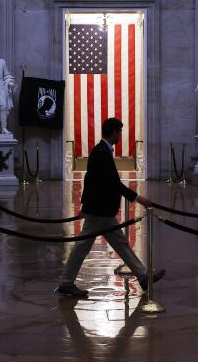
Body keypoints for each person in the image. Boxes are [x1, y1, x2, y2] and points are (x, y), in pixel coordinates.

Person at [56, 117, 164, 298]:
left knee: (120, 245)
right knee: (83, 246)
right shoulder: (101, 152)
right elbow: (111, 183)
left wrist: (85, 205)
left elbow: (91, 180)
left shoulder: (101, 151)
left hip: (102, 210)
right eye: (120, 132)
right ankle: (66, 282)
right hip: (99, 211)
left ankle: (143, 276)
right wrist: (138, 198)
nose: (121, 135)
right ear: (114, 132)